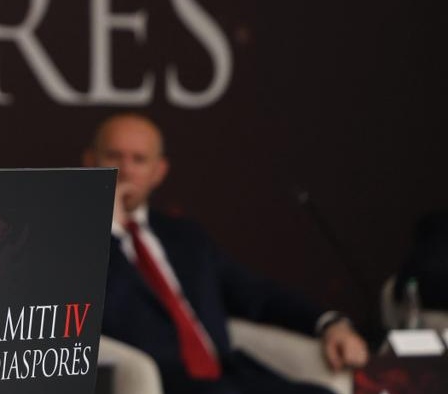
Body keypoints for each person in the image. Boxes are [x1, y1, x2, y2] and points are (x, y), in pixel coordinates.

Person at [83, 112, 368, 394]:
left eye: (139, 160)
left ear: (159, 171)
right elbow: (98, 313)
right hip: (165, 383)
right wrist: (109, 228)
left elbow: (257, 295)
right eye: (114, 156)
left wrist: (328, 323)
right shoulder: (78, 241)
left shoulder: (185, 236)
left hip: (229, 376)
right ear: (90, 162)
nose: (127, 170)